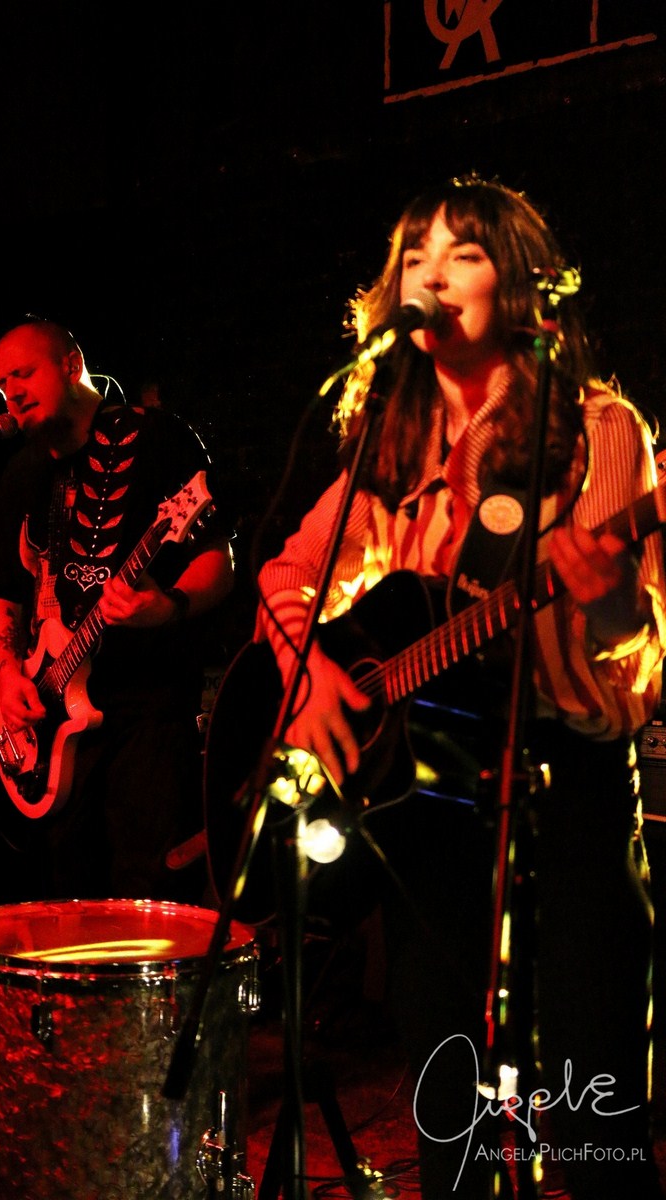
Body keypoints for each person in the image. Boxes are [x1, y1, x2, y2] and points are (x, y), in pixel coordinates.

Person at [252, 176, 666, 1198]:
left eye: (463, 254)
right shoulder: (388, 448)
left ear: (514, 281)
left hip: (566, 795)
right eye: (415, 256)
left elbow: (634, 674)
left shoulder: (596, 429)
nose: (431, 275)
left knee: (596, 1115)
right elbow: (283, 577)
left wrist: (612, 603)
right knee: (452, 1124)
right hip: (433, 821)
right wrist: (310, 682)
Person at [0, 316, 234, 905]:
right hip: (52, 727)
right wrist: (8, 674)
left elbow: (219, 560)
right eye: (1, 383)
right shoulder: (21, 473)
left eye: (24, 373)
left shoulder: (156, 438)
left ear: (71, 365)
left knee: (148, 896)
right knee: (67, 898)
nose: (12, 392)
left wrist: (167, 606)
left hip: (146, 716)